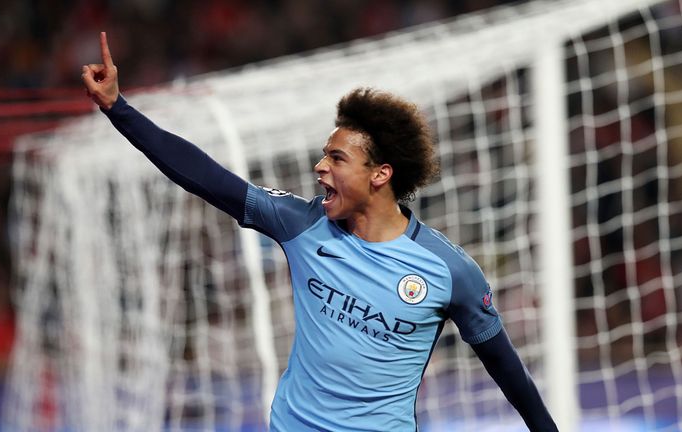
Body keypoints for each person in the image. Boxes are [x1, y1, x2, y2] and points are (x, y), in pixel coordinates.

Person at [82, 31, 558, 432]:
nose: (319, 166)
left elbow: (505, 367)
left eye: (336, 158)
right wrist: (118, 108)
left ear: (380, 174)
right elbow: (205, 175)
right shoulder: (302, 223)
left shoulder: (450, 271)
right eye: (324, 154)